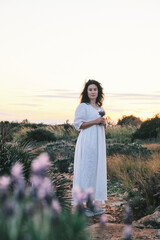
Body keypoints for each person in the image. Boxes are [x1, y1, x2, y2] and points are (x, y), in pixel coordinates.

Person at [72, 79, 107, 217]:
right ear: (87, 92)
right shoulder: (83, 107)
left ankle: (91, 204)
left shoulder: (100, 108)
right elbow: (78, 125)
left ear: (98, 92)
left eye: (95, 89)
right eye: (90, 89)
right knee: (86, 170)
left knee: (95, 171)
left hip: (98, 143)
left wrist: (103, 123)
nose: (93, 92)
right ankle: (82, 206)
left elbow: (102, 126)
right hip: (87, 142)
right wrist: (95, 121)